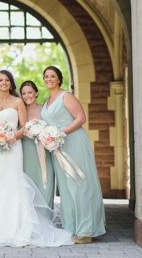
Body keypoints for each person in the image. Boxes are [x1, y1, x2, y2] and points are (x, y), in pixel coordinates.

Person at [0, 70, 71, 247]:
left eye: (6, 80)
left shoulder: (18, 101)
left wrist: (11, 137)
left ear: (11, 83)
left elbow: (24, 126)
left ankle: (18, 229)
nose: (3, 83)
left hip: (14, 148)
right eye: (0, 80)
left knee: (13, 183)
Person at [41, 66, 106, 243]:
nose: (49, 79)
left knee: (80, 184)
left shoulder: (66, 96)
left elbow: (80, 118)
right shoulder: (47, 100)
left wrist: (60, 133)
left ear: (59, 79)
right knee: (66, 188)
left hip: (74, 142)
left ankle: (86, 230)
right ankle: (71, 227)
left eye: (52, 76)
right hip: (57, 148)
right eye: (46, 76)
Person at [20, 80, 55, 209]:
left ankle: (46, 215)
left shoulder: (44, 110)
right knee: (29, 184)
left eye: (30, 92)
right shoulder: (20, 110)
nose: (27, 96)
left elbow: (52, 127)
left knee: (45, 182)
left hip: (45, 151)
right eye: (24, 93)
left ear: (36, 93)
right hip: (27, 152)